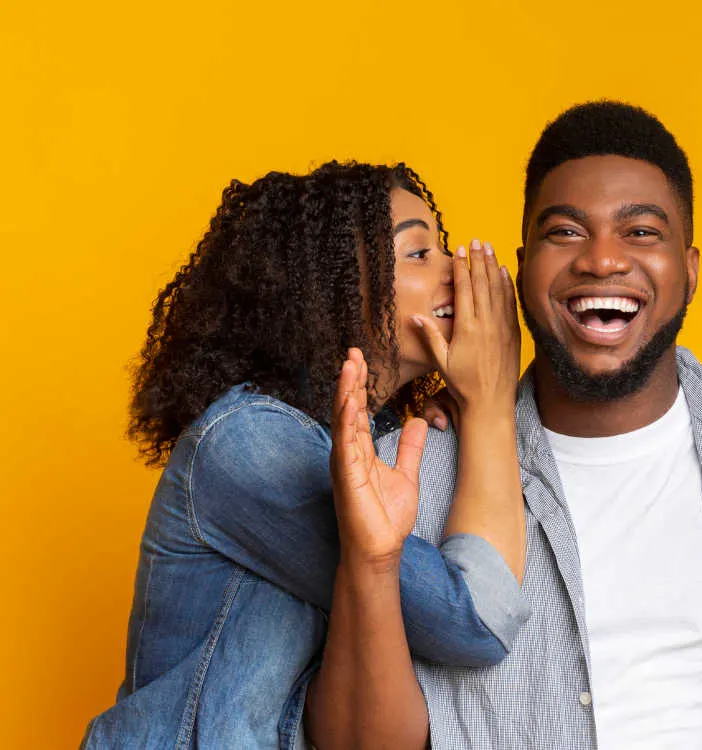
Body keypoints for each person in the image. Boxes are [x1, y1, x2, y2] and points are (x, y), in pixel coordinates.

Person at [325, 102, 702, 749]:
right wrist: (371, 560)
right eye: (566, 233)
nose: (602, 260)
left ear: (691, 271)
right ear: (523, 265)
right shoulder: (411, 471)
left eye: (641, 232)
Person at [81, 160, 528, 749]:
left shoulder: (373, 438)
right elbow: (473, 621)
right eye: (419, 255)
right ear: (329, 290)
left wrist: (462, 416)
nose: (459, 272)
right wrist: (493, 403)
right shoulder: (248, 445)